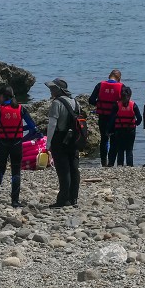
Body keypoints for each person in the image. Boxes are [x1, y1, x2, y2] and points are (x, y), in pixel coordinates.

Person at [0, 85, 38, 208]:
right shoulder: (20, 108)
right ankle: (15, 200)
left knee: (0, 169)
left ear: (2, 96)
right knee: (16, 172)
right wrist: (22, 134)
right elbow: (33, 127)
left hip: (2, 143)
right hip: (17, 143)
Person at [45, 78, 80, 207]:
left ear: (58, 90)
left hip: (60, 138)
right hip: (74, 138)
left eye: (52, 88)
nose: (50, 90)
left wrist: (48, 144)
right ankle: (73, 198)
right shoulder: (75, 102)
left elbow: (52, 124)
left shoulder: (56, 103)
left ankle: (63, 200)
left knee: (63, 170)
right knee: (74, 168)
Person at [89, 69, 128, 167]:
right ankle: (111, 163)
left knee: (104, 139)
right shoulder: (122, 87)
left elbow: (91, 100)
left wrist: (99, 104)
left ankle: (103, 162)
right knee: (114, 140)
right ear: (119, 78)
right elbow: (125, 102)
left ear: (109, 76)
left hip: (103, 116)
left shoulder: (100, 85)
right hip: (115, 117)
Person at [108, 86, 141, 166]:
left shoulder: (116, 105)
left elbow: (112, 119)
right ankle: (130, 165)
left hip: (119, 130)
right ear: (130, 95)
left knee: (120, 149)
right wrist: (135, 123)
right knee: (129, 149)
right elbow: (139, 118)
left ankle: (120, 165)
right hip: (131, 129)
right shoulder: (134, 105)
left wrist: (109, 130)